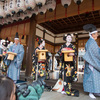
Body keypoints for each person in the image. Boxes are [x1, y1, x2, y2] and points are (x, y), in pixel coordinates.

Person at [83, 24, 100, 99]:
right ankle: (91, 92)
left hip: (91, 62)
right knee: (91, 78)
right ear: (92, 34)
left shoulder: (91, 41)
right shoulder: (91, 42)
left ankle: (96, 91)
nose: (97, 35)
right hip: (91, 63)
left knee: (96, 78)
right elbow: (96, 53)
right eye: (96, 33)